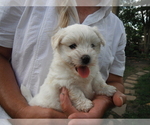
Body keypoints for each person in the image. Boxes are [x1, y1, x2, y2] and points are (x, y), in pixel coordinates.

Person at [0, 0, 126, 119]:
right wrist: (20, 111)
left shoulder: (117, 25)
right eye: (72, 46)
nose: (86, 54)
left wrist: (104, 99)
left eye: (93, 46)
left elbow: (114, 80)